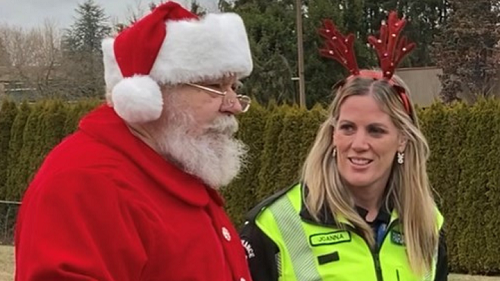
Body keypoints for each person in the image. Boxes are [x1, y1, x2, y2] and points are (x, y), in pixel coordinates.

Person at [15, 2, 254, 281]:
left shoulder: (173, 166)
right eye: (215, 87)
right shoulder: (86, 183)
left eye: (234, 87)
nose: (234, 105)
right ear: (150, 95)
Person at [240, 11, 448, 281]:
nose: (359, 144)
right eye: (348, 128)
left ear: (402, 140)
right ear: (333, 134)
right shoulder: (274, 223)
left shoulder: (428, 224)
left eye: (376, 131)